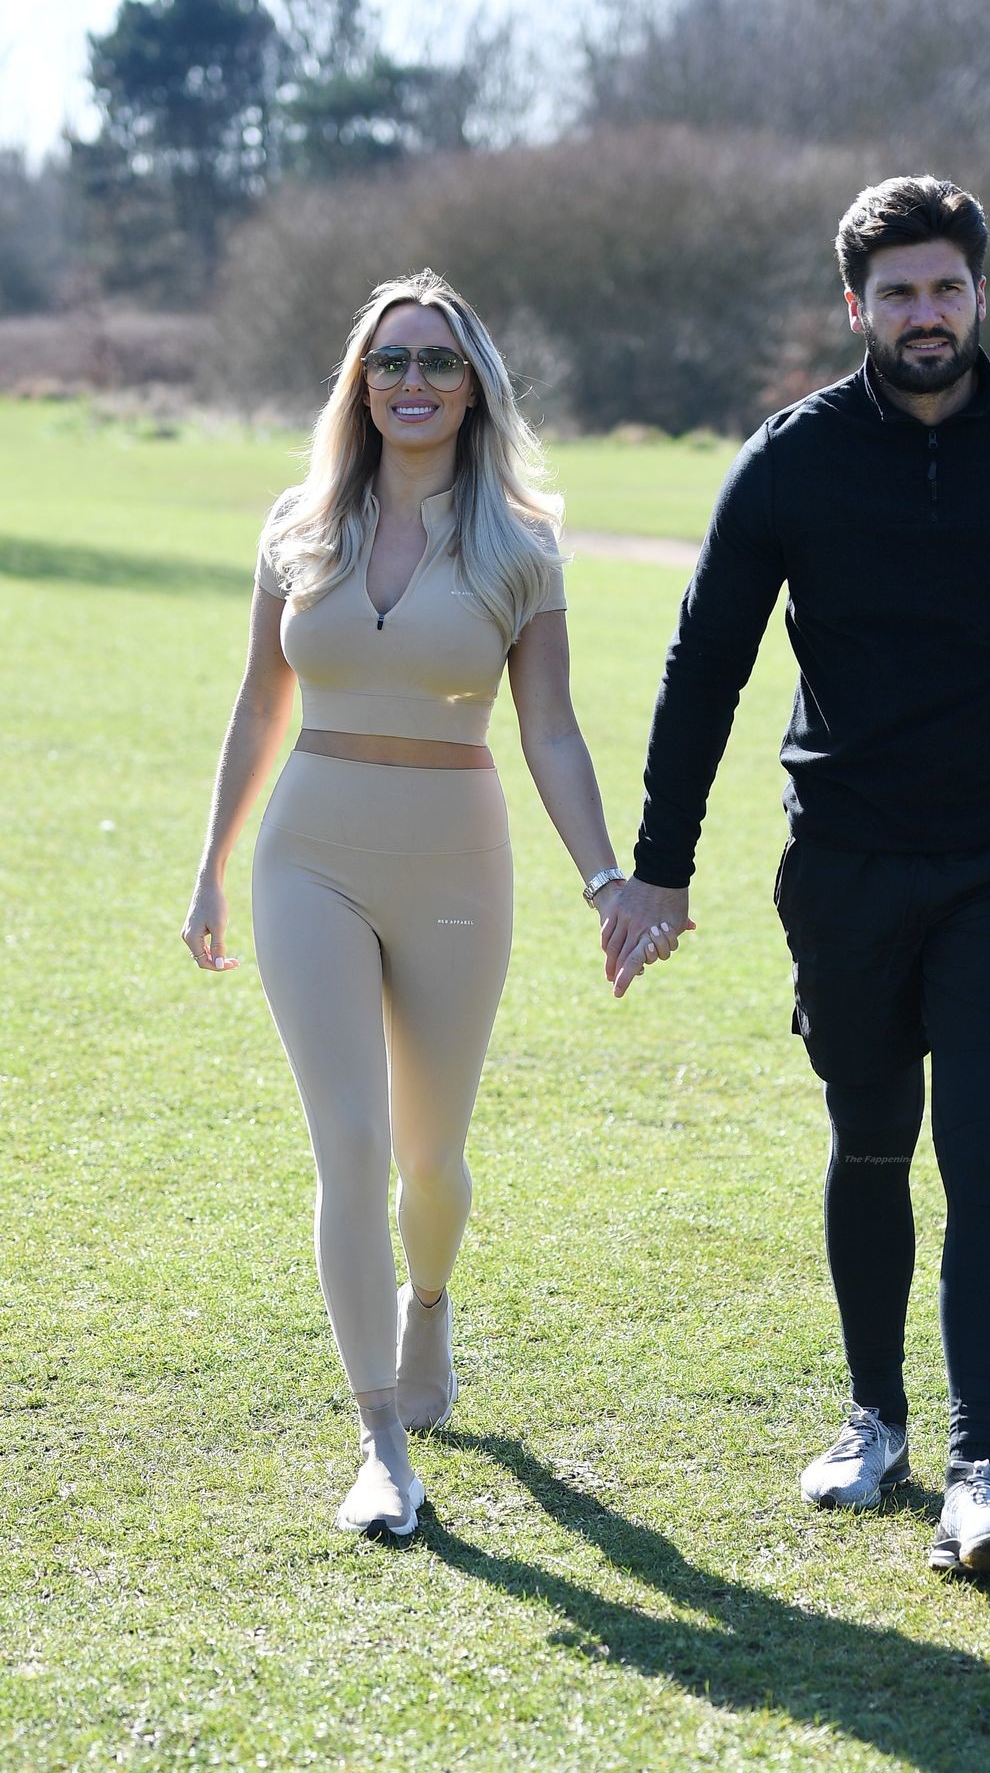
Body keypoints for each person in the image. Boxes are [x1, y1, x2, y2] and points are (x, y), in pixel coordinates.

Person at [602, 176, 990, 1576]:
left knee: (984, 1150)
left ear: (981, 295)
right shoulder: (792, 459)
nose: (926, 314)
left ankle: (980, 1476)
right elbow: (704, 664)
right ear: (855, 306)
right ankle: (876, 1421)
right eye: (898, 292)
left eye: (946, 288)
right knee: (869, 1138)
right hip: (845, 865)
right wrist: (661, 868)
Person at [182, 271, 674, 1539]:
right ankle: (379, 1442)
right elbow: (257, 703)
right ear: (360, 385)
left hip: (458, 864)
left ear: (473, 389)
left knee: (427, 1160)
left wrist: (605, 877)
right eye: (390, 361)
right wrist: (212, 865)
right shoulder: (298, 524)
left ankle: (431, 1303)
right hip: (308, 857)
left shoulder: (521, 542)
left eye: (437, 363)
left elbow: (550, 728)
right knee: (347, 1144)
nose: (412, 381)